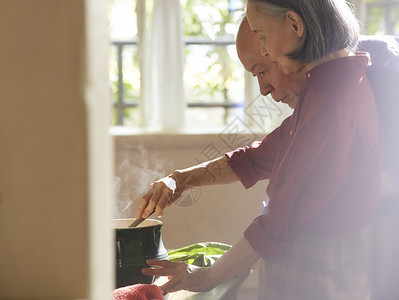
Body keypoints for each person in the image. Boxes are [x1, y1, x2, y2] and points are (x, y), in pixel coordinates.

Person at [137, 1, 381, 299]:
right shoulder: (323, 90)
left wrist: (206, 277)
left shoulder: (333, 107)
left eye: (263, 41)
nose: (263, 88)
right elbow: (258, 157)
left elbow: (278, 221)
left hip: (320, 277)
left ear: (295, 25)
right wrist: (182, 178)